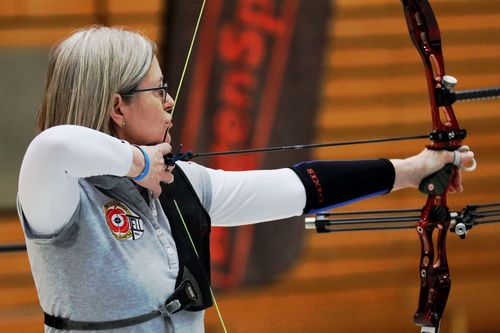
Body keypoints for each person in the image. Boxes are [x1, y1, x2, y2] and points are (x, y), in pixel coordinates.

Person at [17, 26, 474, 333]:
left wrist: (416, 168)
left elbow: (299, 188)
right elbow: (53, 146)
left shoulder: (180, 184)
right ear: (118, 108)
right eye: (158, 90)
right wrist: (138, 164)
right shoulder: (62, 197)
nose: (170, 100)